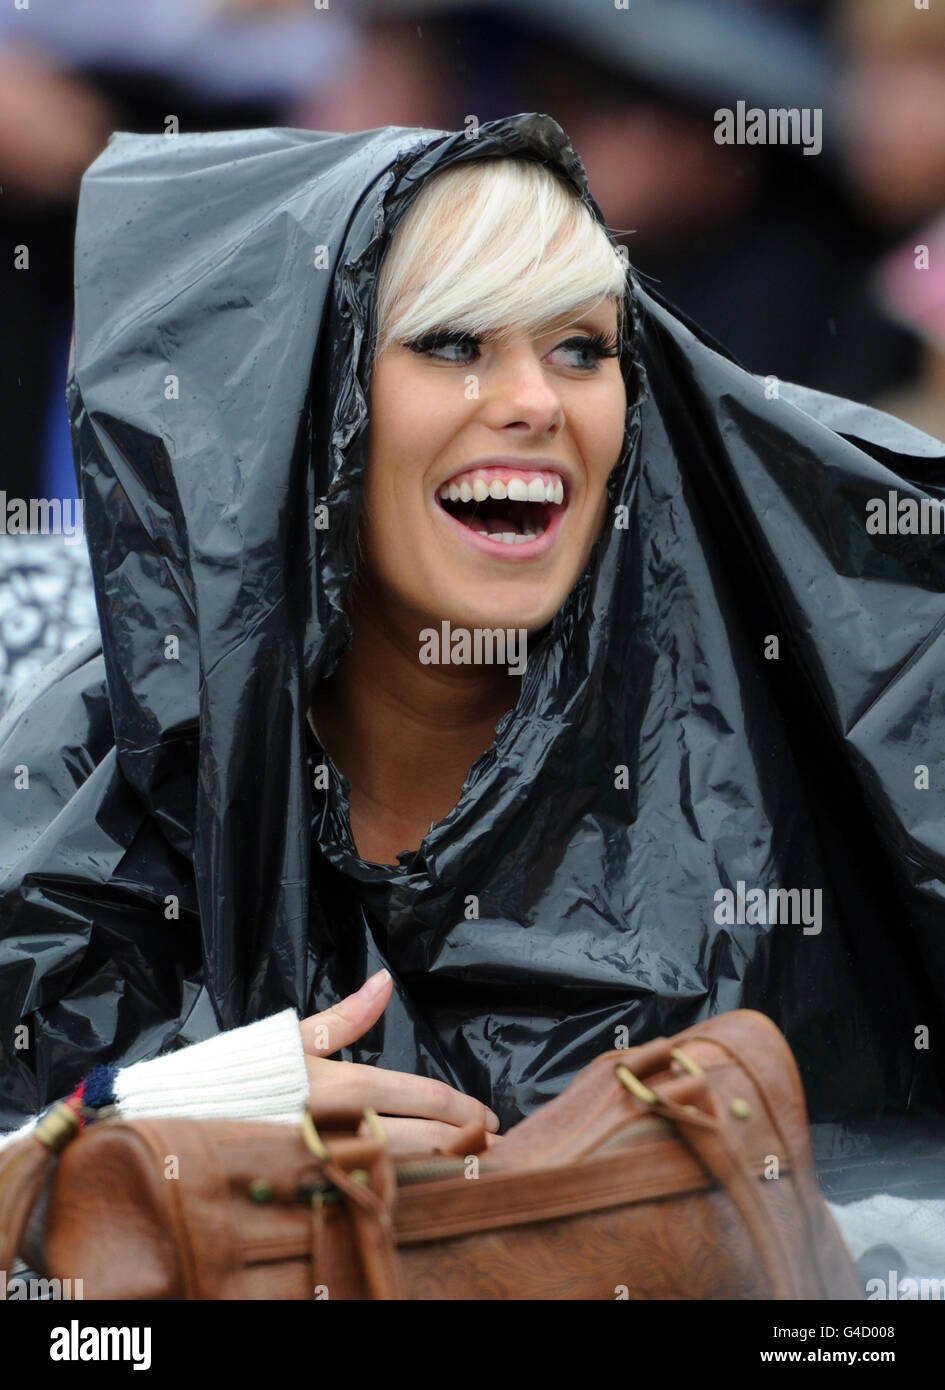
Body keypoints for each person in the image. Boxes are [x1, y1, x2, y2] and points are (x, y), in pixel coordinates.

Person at [2, 116, 945, 1265]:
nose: (535, 402)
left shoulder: (788, 755)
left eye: (582, 349)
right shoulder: (76, 782)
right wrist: (172, 1117)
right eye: (453, 344)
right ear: (297, 409)